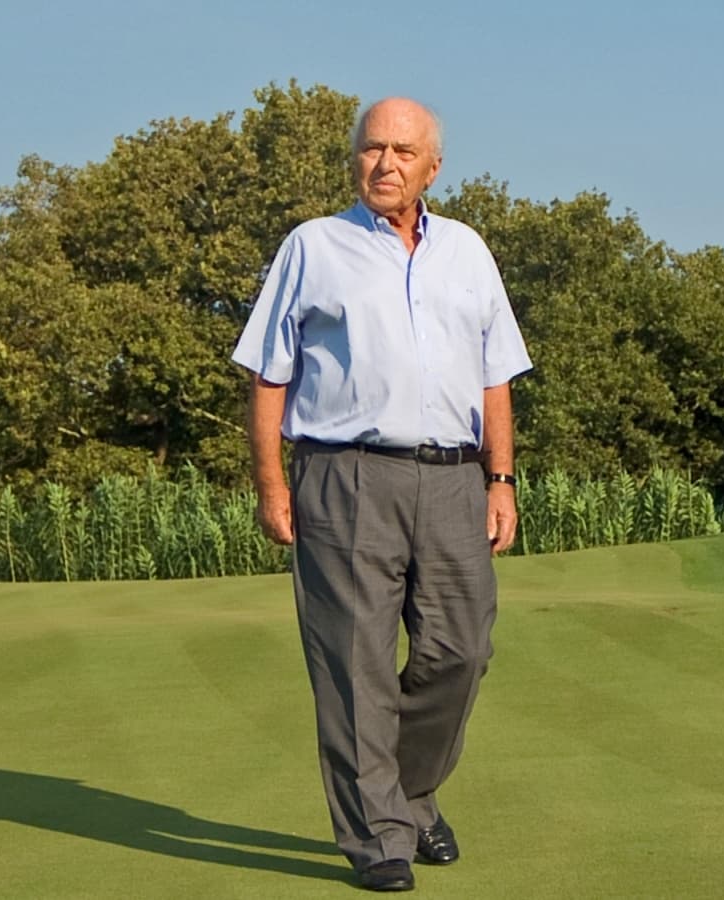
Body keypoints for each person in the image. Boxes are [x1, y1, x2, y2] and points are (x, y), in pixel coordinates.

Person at [231, 97, 532, 892]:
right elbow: (270, 372)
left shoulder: (467, 252)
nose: (384, 163)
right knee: (355, 665)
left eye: (402, 151)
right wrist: (271, 482)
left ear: (433, 167)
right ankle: (378, 840)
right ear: (354, 159)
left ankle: (410, 795)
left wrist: (501, 479)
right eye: (371, 149)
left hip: (455, 479)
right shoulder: (313, 247)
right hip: (344, 474)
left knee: (461, 651)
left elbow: (495, 373)